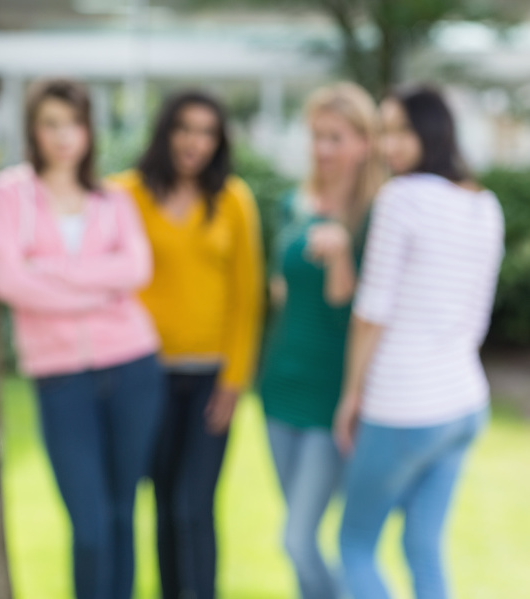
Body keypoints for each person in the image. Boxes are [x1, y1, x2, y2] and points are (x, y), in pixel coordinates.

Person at [0, 79, 163, 599]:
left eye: (75, 123)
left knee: (123, 515)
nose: (65, 136)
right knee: (89, 525)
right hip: (60, 376)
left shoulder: (114, 198)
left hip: (133, 364)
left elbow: (137, 268)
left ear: (89, 130)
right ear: (33, 130)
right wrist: (97, 286)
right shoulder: (10, 192)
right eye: (52, 124)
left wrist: (50, 273)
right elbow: (8, 281)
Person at [334, 86, 504, 599]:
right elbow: (477, 316)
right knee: (423, 544)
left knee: (355, 544)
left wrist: (350, 395)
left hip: (405, 405)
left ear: (431, 132)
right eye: (384, 131)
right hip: (464, 402)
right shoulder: (483, 204)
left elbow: (371, 312)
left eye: (400, 131)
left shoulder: (400, 197)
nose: (390, 144)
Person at [109, 91, 264, 599]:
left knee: (191, 506)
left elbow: (248, 298)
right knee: (160, 503)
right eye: (184, 128)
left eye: (207, 132)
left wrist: (234, 381)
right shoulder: (125, 193)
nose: (194, 142)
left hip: (209, 379)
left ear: (218, 142)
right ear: (165, 132)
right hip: (142, 375)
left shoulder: (235, 200)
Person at [258, 82, 385, 599]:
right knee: (298, 531)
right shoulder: (296, 201)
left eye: (336, 137)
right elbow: (281, 286)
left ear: (365, 142)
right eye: (316, 136)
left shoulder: (378, 212)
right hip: (279, 386)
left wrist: (340, 258)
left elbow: (359, 316)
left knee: (297, 540)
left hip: (332, 394)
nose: (323, 149)